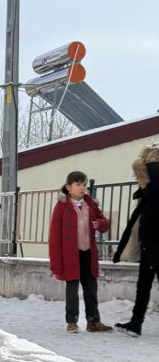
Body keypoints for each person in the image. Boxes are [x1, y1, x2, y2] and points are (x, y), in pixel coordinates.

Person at [49, 171, 112, 334]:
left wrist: (101, 224)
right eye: (78, 184)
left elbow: (104, 222)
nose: (82, 188)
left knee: (91, 288)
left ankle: (93, 322)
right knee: (72, 289)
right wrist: (55, 263)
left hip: (88, 253)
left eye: (84, 184)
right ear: (69, 187)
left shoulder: (90, 203)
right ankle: (71, 322)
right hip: (70, 255)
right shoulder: (61, 206)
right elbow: (54, 236)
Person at [113, 143, 159, 337]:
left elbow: (151, 214)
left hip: (152, 243)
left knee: (144, 286)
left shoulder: (150, 174)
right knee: (143, 284)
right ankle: (135, 323)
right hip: (152, 243)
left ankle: (136, 323)